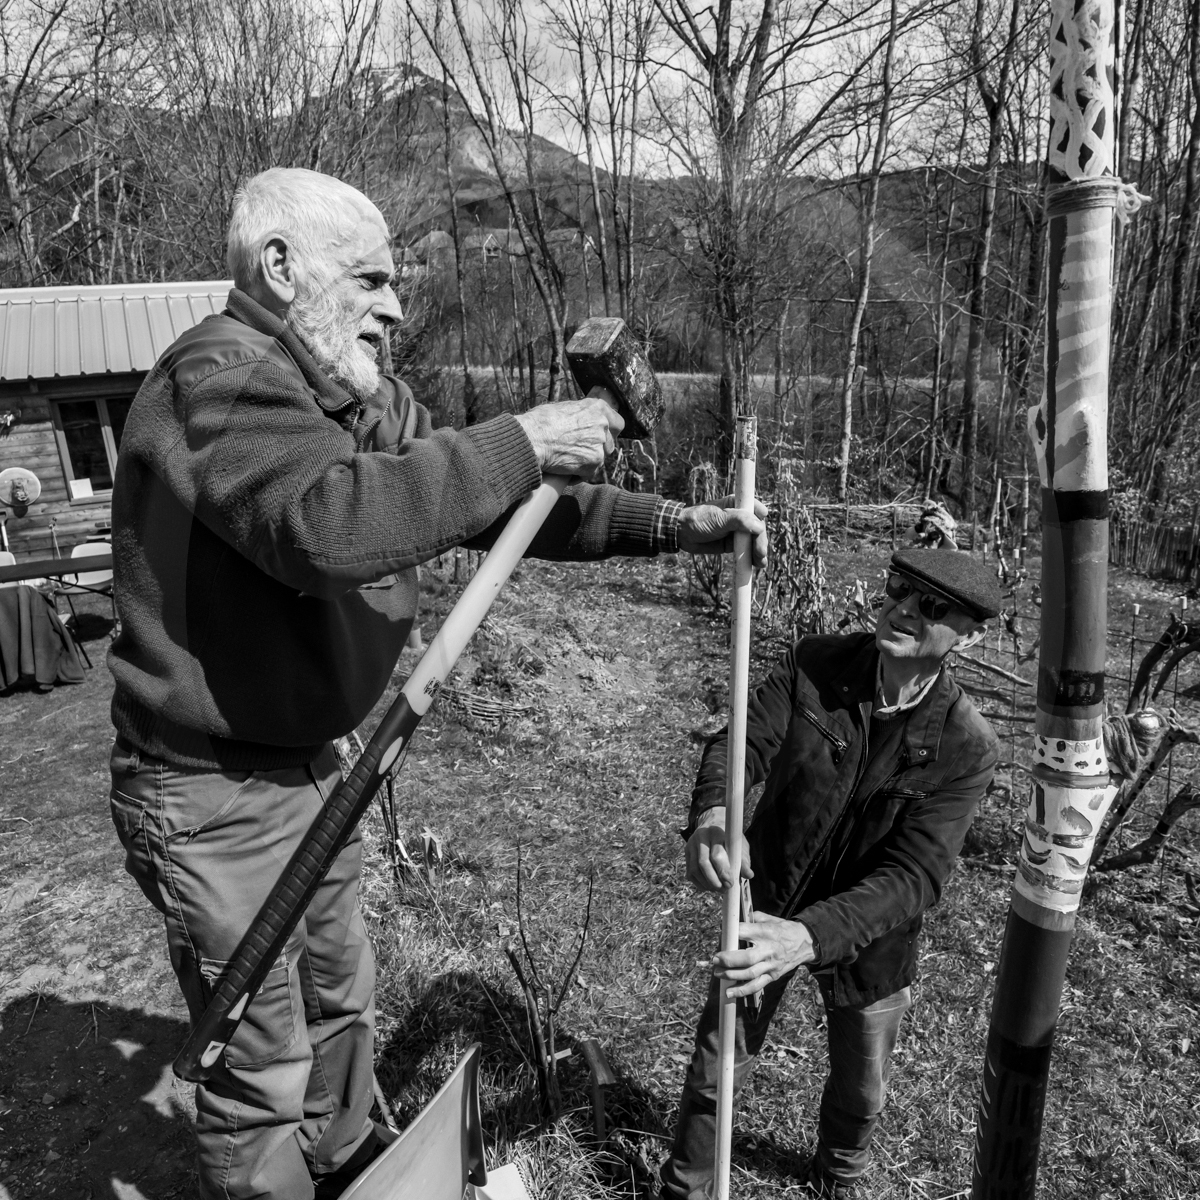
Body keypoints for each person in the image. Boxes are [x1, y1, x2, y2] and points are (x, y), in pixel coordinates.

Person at [106, 167, 766, 1200]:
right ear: (279, 269)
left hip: (305, 764)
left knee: (338, 995)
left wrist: (674, 526)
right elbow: (327, 524)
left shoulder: (348, 392)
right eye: (369, 278)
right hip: (208, 787)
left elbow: (492, 499)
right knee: (261, 1051)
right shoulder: (220, 379)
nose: (397, 305)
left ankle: (349, 1168)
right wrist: (521, 443)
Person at [660, 547, 1001, 1199]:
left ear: (969, 633)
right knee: (716, 1065)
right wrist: (713, 813)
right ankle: (687, 1186)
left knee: (862, 1084)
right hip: (767, 896)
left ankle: (839, 1173)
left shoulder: (967, 747)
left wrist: (807, 937)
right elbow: (743, 743)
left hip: (871, 936)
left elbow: (914, 877)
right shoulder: (814, 664)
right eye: (900, 588)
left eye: (931, 606)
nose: (903, 608)